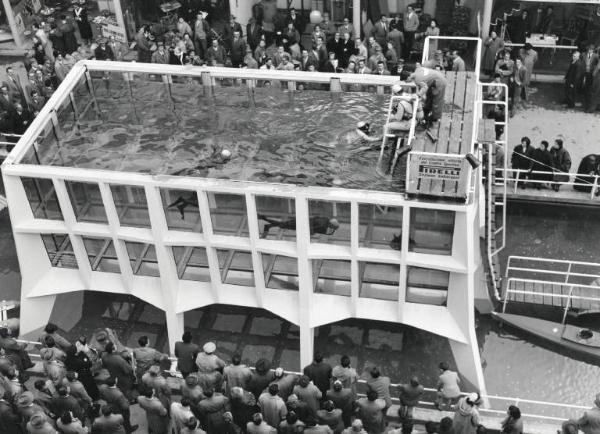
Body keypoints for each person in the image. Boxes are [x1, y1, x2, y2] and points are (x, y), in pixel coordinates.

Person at [259, 215, 340, 238]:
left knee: (283, 224)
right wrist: (310, 233)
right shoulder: (323, 224)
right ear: (331, 225)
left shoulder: (325, 219)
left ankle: (267, 225)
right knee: (283, 224)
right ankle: (265, 220)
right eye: (333, 228)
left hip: (302, 221)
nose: (332, 229)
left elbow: (315, 218)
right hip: (301, 224)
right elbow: (311, 230)